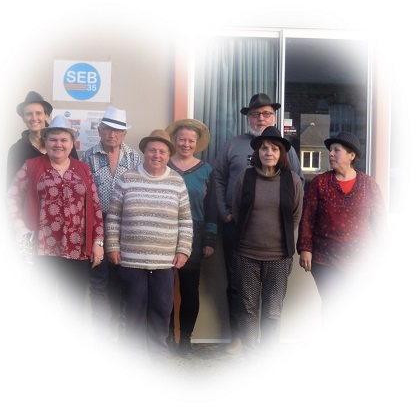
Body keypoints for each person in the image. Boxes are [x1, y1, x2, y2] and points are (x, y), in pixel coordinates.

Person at [212, 93, 304, 354]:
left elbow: (296, 197)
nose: (260, 118)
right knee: (238, 289)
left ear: (273, 117)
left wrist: (283, 229)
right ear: (248, 118)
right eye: (255, 114)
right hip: (239, 231)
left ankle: (267, 350)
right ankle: (240, 340)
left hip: (277, 242)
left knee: (272, 303)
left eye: (266, 114)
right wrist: (226, 214)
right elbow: (219, 180)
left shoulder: (288, 154)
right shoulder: (232, 146)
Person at [6, 115, 104, 327]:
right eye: (53, 139)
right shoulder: (32, 166)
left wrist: (98, 242)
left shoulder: (83, 169)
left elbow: (95, 206)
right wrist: (21, 229)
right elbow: (11, 196)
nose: (58, 144)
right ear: (45, 142)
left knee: (74, 304)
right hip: (42, 249)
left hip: (77, 250)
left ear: (72, 143)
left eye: (64, 140)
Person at [105, 129, 193, 362]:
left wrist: (183, 250)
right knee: (133, 309)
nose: (157, 155)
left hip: (164, 260)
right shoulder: (127, 178)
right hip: (131, 259)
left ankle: (157, 355)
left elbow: (185, 219)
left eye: (162, 151)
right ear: (144, 152)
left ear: (168, 155)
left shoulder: (177, 182)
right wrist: (112, 246)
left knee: (161, 308)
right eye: (152, 150)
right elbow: (113, 216)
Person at [296, 131, 385, 326]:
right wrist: (305, 248)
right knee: (333, 304)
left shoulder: (369, 185)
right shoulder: (320, 182)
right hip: (325, 259)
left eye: (337, 150)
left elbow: (380, 222)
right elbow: (307, 217)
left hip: (361, 260)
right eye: (330, 150)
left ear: (351, 155)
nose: (331, 154)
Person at [231, 126, 303, 355]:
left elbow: (295, 215)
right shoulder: (245, 178)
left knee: (273, 310)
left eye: (274, 149)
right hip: (246, 255)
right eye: (264, 148)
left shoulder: (292, 180)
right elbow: (237, 210)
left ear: (282, 154)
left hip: (279, 257)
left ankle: (269, 354)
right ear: (257, 152)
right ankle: (251, 352)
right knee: (248, 307)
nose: (268, 153)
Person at [81, 106, 141, 336]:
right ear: (99, 130)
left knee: (126, 279)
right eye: (107, 129)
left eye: (117, 130)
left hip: (127, 226)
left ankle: (124, 335)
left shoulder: (134, 157)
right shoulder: (87, 156)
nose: (112, 134)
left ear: (124, 134)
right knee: (99, 279)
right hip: (97, 224)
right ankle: (102, 335)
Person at [165, 119, 218, 357]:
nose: (186, 144)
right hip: (164, 232)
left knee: (189, 289)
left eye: (191, 140)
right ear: (175, 141)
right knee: (164, 288)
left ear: (197, 143)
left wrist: (209, 239)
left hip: (195, 234)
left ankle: (185, 339)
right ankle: (166, 337)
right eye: (182, 139)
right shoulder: (164, 165)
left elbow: (212, 207)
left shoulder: (206, 171)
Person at [7, 90, 79, 188]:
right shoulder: (16, 150)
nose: (34, 118)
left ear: (46, 116)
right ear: (23, 118)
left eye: (38, 113)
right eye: (29, 114)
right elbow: (11, 187)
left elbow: (77, 175)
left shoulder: (64, 143)